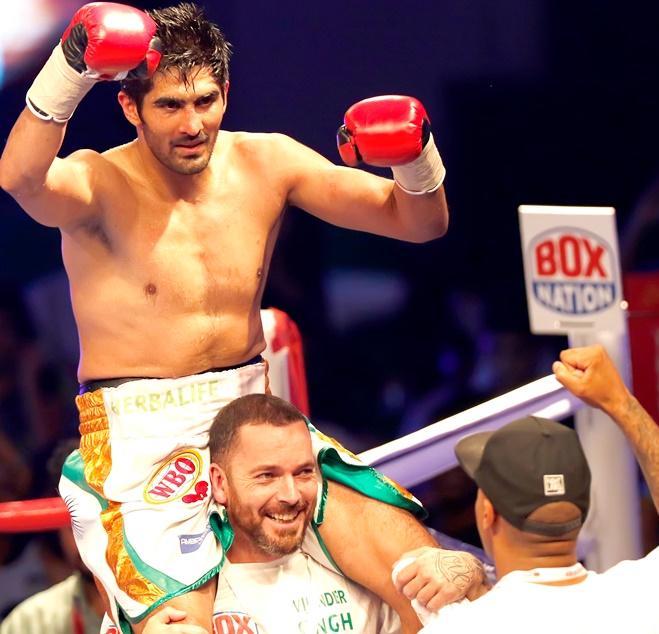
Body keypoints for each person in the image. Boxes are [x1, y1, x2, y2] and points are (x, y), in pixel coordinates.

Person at [0, 3, 486, 632]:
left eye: (205, 100)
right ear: (130, 107)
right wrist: (68, 67)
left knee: (431, 583)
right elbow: (19, 177)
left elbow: (421, 223)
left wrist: (415, 156)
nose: (192, 123)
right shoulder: (99, 181)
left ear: (225, 92)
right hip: (144, 434)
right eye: (170, 106)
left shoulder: (268, 162)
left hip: (254, 415)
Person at [394, 344, 659, 633]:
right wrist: (621, 403)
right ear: (581, 509)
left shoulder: (463, 626)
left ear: (488, 512)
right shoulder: (650, 594)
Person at [101, 393, 403, 633]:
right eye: (266, 476)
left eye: (303, 472)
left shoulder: (357, 572)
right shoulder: (176, 602)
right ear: (220, 483)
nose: (291, 495)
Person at [0, 440, 105, 634]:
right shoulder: (30, 623)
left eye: (99, 517)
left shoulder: (172, 607)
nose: (88, 536)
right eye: (74, 520)